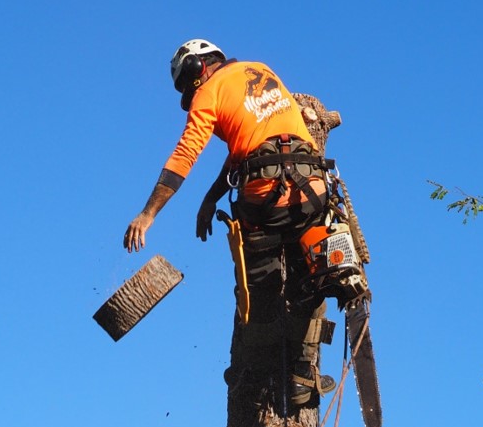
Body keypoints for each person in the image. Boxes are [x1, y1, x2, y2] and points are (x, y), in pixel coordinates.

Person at [123, 38, 338, 406]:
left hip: (264, 196)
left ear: (196, 69)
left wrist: (148, 213)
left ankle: (255, 374)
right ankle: (304, 373)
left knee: (259, 289)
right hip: (313, 187)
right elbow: (250, 149)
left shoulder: (209, 90)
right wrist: (210, 198)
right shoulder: (261, 71)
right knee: (311, 278)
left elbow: (186, 153)